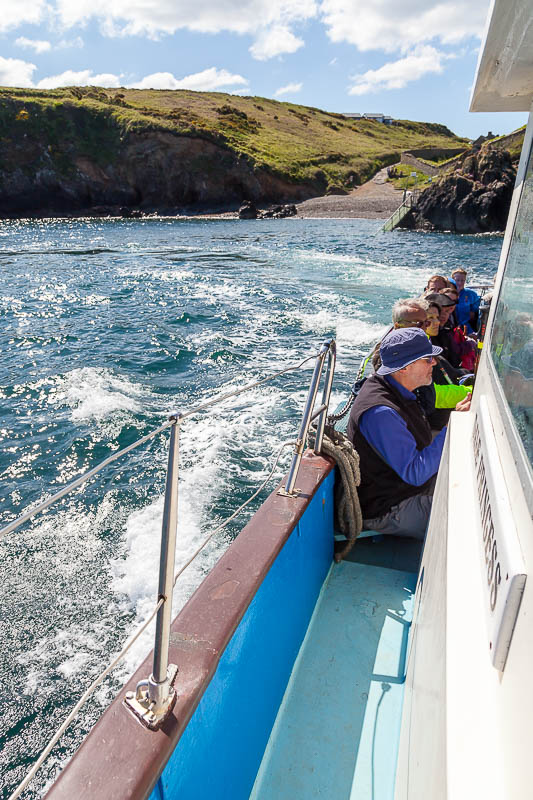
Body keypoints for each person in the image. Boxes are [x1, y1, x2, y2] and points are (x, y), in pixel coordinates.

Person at [347, 328, 471, 538]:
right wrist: (453, 425)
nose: (434, 363)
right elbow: (414, 473)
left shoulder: (396, 388)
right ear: (404, 368)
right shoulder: (381, 413)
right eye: (427, 359)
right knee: (466, 520)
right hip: (390, 506)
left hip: (403, 488)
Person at [450, 267, 480, 333]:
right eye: (457, 280)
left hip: (465, 326)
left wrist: (473, 311)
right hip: (451, 327)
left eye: (462, 280)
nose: (460, 283)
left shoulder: (470, 293)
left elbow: (478, 301)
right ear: (452, 280)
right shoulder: (448, 294)